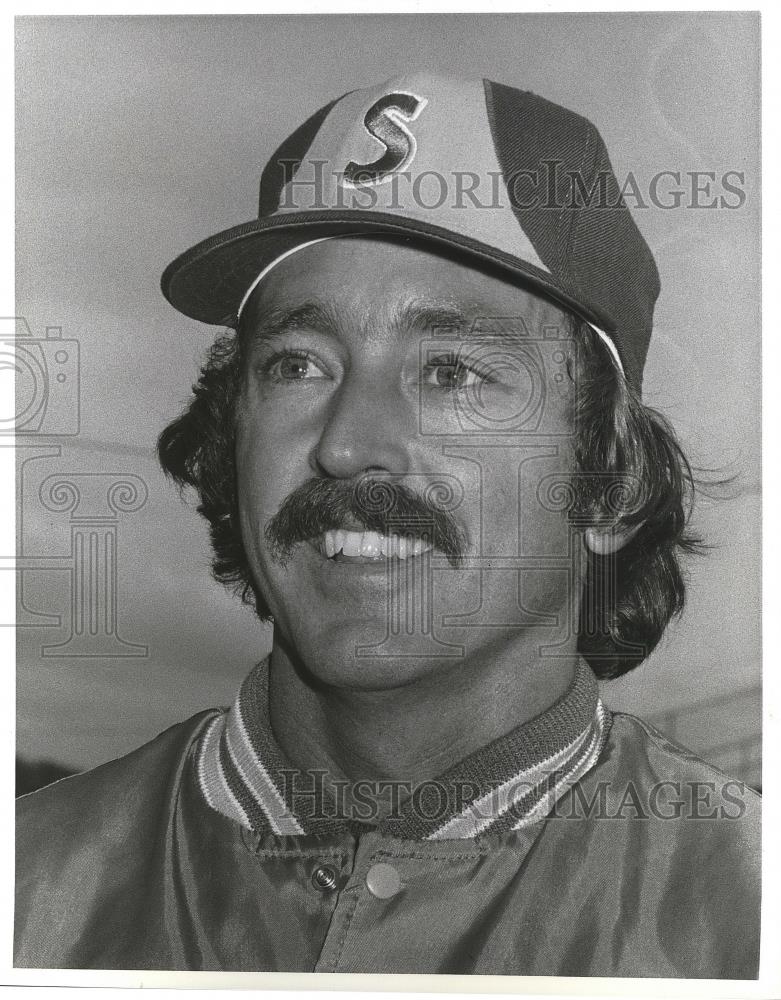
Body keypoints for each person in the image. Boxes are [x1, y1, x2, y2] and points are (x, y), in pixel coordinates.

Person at [15, 73, 760, 976]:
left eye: (450, 372)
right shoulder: (32, 884)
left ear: (611, 485)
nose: (347, 444)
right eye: (297, 365)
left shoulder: (748, 910)